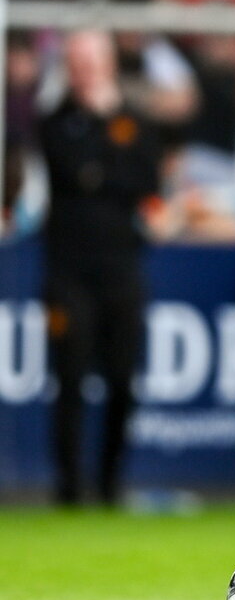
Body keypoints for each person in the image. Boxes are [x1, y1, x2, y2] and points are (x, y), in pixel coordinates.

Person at [40, 31, 161, 505]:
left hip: (122, 268)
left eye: (92, 59)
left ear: (109, 63)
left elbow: (145, 180)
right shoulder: (57, 121)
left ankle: (111, 486)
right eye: (77, 60)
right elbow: (74, 173)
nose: (84, 69)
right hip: (67, 270)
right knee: (69, 378)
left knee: (122, 378)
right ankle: (69, 489)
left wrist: (103, 166)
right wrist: (108, 167)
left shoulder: (133, 120)